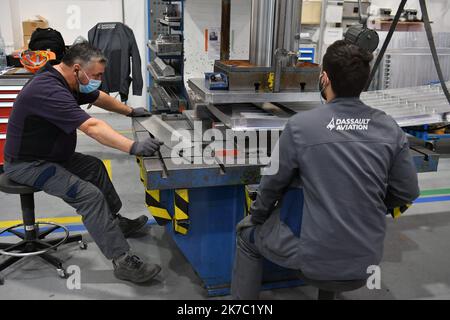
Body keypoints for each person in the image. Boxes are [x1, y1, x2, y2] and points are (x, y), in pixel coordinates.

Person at [231, 40, 420, 299]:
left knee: (246, 235)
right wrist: (364, 206)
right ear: (364, 83)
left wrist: (257, 216)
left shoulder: (301, 126)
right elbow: (407, 191)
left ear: (325, 78)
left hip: (312, 261)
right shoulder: (389, 128)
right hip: (365, 260)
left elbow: (271, 185)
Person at [3, 43, 163, 284]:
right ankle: (122, 260)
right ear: (77, 68)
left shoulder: (68, 80)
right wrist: (132, 146)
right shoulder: (48, 89)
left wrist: (130, 111)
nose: (99, 80)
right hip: (29, 164)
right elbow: (92, 127)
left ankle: (116, 223)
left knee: (94, 168)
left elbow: (99, 98)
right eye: (97, 75)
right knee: (89, 196)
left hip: (53, 156)